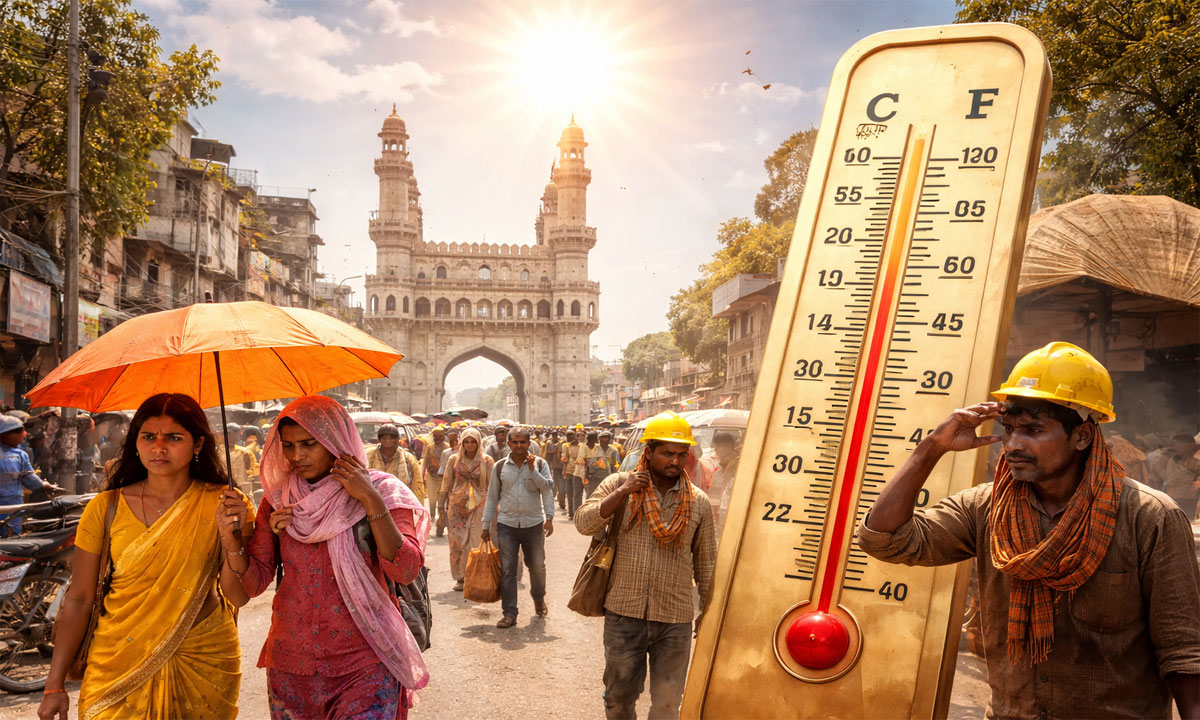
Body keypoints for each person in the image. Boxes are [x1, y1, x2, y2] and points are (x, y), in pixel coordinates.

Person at [857, 342, 1200, 719]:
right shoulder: (985, 508)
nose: (1013, 445)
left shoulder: (1149, 518)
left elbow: (1184, 649)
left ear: (1082, 437)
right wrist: (931, 448)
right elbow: (885, 540)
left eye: (1034, 430)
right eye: (1009, 429)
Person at [38, 393, 255, 720]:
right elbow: (80, 598)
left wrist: (232, 538)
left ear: (198, 444)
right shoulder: (105, 507)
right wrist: (54, 685)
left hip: (202, 658)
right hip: (117, 657)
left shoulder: (228, 505)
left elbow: (237, 596)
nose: (159, 447)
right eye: (149, 437)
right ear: (136, 443)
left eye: (174, 438)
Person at [238, 396, 430, 720]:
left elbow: (406, 569)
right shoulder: (280, 501)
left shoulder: (381, 491)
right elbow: (253, 583)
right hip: (292, 665)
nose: (297, 456)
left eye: (309, 444)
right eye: (288, 445)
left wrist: (368, 499)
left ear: (334, 441)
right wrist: (234, 536)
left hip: (366, 660)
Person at [574, 411, 717, 720]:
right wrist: (623, 492)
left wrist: (708, 613)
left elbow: (706, 564)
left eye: (681, 454)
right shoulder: (619, 485)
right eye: (667, 453)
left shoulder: (698, 501)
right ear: (648, 452)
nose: (675, 461)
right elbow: (584, 523)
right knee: (618, 699)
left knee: (667, 705)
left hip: (675, 619)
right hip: (624, 614)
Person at [481, 427, 554, 628]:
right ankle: (509, 613)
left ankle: (538, 597)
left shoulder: (540, 464)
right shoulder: (499, 467)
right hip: (507, 525)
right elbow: (492, 497)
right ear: (509, 443)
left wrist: (549, 517)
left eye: (523, 442)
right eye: (515, 442)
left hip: (534, 524)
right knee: (508, 569)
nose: (519, 446)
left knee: (537, 567)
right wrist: (486, 525)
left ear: (529, 443)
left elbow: (547, 489)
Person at [440, 428, 495, 592]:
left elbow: (493, 486)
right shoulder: (453, 460)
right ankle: (460, 577)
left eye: (473, 441)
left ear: (478, 443)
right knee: (457, 543)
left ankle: (475, 577)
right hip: (457, 507)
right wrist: (440, 504)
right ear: (462, 443)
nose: (470, 445)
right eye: (466, 441)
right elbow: (446, 482)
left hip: (480, 507)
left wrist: (495, 508)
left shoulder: (487, 461)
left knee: (476, 542)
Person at [0, 415, 57, 535]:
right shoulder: (20, 455)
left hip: (11, 501)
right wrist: (44, 485)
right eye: (21, 431)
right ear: (7, 434)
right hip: (12, 502)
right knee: (11, 533)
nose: (25, 434)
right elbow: (30, 480)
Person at [368, 424, 425, 502]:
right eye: (384, 438)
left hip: (400, 502)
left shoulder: (408, 459)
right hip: (374, 503)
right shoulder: (369, 456)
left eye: (392, 438)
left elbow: (417, 484)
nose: (388, 441)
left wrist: (417, 507)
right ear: (379, 439)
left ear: (398, 439)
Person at [1154, 432, 1200, 519]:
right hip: (1172, 498)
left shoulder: (1197, 462)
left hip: (1189, 500)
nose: (1176, 447)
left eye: (1179, 444)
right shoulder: (1172, 460)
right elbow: (1167, 478)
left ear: (1190, 446)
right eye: (1175, 444)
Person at [708, 431, 740, 537]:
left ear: (731, 447)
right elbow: (715, 493)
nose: (716, 450)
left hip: (736, 517)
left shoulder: (741, 465)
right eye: (716, 448)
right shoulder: (719, 466)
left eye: (720, 447)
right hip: (720, 517)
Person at [216, 423, 258, 500]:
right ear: (228, 433)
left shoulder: (245, 452)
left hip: (243, 491)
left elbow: (253, 470)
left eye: (240, 431)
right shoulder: (218, 452)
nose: (240, 433)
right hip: (224, 490)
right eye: (236, 431)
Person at [421, 426, 449, 537]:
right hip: (431, 476)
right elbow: (425, 461)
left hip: (443, 478)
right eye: (435, 436)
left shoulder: (447, 448)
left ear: (443, 436)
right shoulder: (430, 447)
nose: (437, 438)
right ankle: (432, 517)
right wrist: (423, 476)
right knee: (432, 499)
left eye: (440, 436)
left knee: (441, 500)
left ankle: (440, 520)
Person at [584, 431, 621, 499]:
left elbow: (615, 464)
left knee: (606, 497)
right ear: (599, 439)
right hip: (594, 477)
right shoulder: (594, 448)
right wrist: (586, 475)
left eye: (606, 438)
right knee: (591, 497)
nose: (604, 440)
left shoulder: (613, 450)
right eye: (602, 438)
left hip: (607, 477)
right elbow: (587, 463)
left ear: (609, 439)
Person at [562, 430, 586, 519]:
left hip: (579, 471)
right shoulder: (567, 446)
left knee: (577, 493)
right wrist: (564, 471)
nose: (570, 437)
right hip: (569, 470)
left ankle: (577, 512)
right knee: (569, 492)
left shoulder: (582, 446)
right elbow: (565, 459)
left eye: (571, 435)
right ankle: (570, 512)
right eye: (568, 435)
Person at [544, 430, 564, 510]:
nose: (555, 436)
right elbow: (547, 453)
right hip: (553, 465)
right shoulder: (549, 443)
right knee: (554, 484)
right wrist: (554, 452)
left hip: (561, 466)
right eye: (553, 434)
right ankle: (551, 502)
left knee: (560, 485)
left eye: (556, 434)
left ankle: (561, 502)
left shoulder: (561, 442)